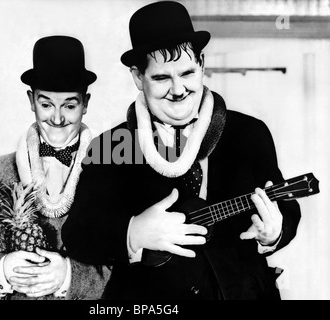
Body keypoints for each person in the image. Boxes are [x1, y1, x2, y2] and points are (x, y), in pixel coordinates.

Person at [62, 1, 301, 300]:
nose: (178, 90)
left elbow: (286, 205)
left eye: (187, 73)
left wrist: (275, 231)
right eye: (162, 78)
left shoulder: (250, 134)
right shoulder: (110, 146)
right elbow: (78, 235)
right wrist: (133, 233)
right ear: (138, 77)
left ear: (201, 63)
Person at [0, 35, 110, 300]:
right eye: (46, 105)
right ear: (31, 101)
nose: (57, 118)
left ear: (85, 103)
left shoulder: (111, 170)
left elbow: (131, 267)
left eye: (69, 105)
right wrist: (0, 270)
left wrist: (70, 277)